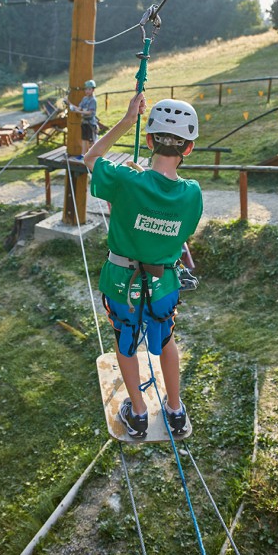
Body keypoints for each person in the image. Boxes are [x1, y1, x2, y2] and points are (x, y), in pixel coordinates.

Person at [84, 94, 203, 439]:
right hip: (164, 282)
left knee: (125, 341)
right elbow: (182, 230)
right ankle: (175, 410)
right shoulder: (192, 193)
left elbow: (90, 158)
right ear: (189, 148)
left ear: (149, 141)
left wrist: (126, 121)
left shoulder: (126, 180)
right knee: (165, 339)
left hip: (122, 282)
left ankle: (138, 413)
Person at [68, 79, 97, 159]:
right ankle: (83, 155)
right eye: (86, 89)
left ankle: (92, 156)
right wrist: (69, 103)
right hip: (84, 122)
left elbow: (90, 112)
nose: (87, 91)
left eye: (89, 89)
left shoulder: (93, 100)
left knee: (91, 141)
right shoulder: (84, 99)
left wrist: (79, 112)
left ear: (93, 90)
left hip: (91, 123)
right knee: (84, 139)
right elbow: (79, 108)